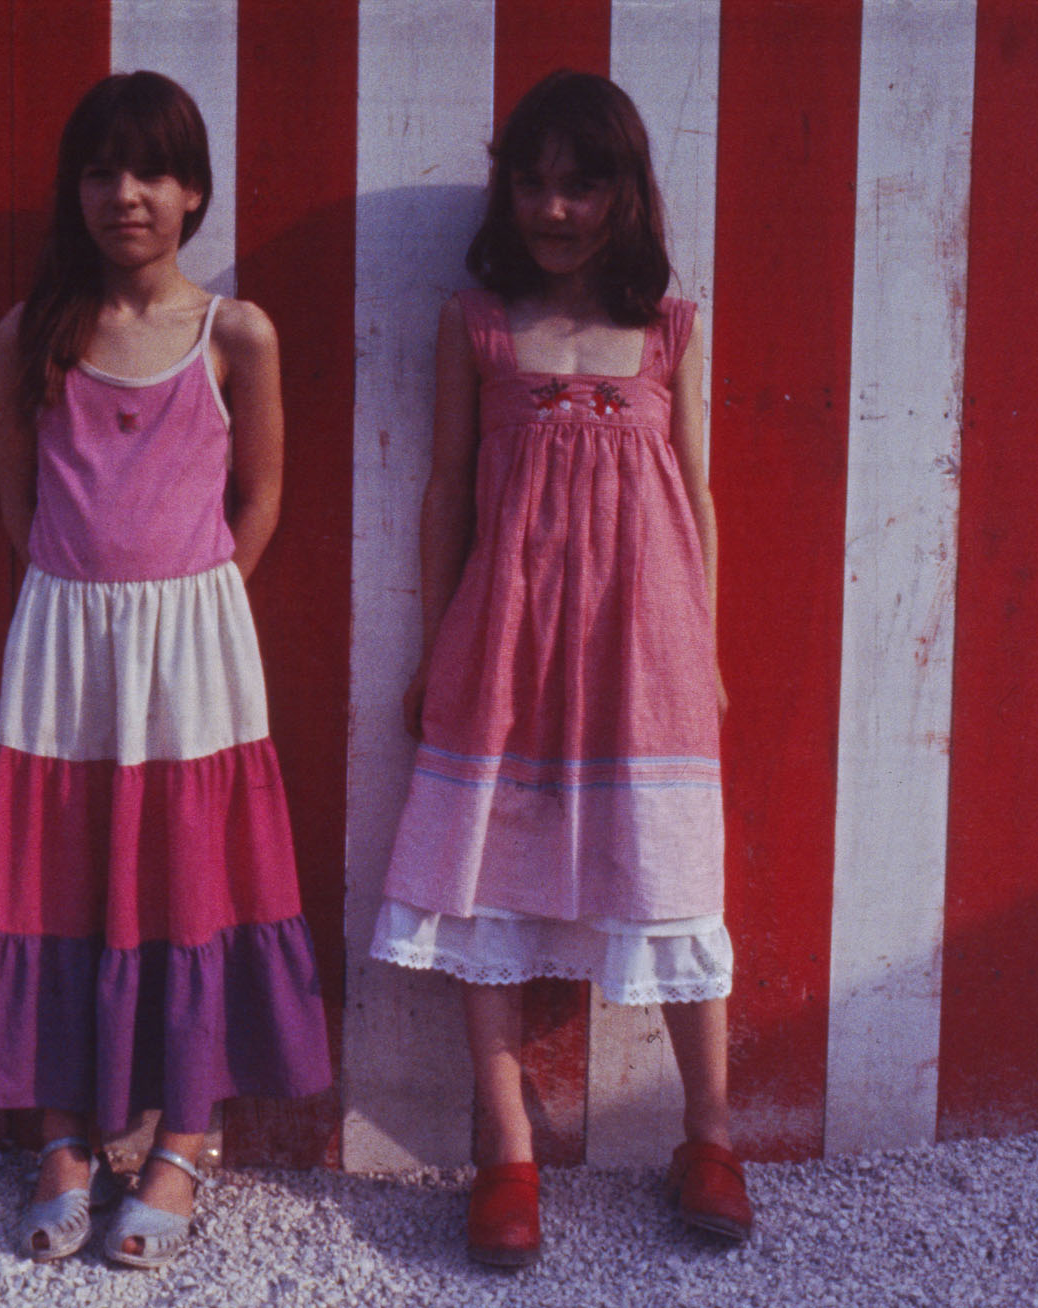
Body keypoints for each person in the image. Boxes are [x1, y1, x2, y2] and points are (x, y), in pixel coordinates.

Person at [0, 70, 330, 1270]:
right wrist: (90, 592)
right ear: (76, 191)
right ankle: (57, 1135)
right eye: (100, 172)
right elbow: (18, 502)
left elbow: (258, 499)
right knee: (52, 873)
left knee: (190, 874)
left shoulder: (234, 332)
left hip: (194, 653)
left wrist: (186, 602)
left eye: (151, 171)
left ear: (194, 190)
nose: (125, 195)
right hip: (63, 644)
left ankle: (185, 1139)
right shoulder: (33, 334)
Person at [373, 69, 747, 1269]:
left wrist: (712, 653)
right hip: (507, 641)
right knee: (479, 878)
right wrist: (437, 650)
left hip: (649, 651)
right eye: (531, 183)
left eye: (580, 184)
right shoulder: (476, 326)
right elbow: (443, 499)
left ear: (624, 193)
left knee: (678, 879)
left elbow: (697, 495)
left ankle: (711, 1134)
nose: (554, 207)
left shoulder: (673, 329)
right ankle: (506, 1147)